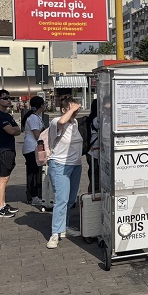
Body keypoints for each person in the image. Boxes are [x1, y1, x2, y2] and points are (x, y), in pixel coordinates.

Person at [46, 95, 84, 249]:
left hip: (75, 165)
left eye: (76, 109)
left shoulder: (74, 123)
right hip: (60, 165)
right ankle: (55, 233)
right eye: (72, 109)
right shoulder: (56, 122)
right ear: (63, 109)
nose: (75, 112)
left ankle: (65, 227)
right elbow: (62, 121)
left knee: (70, 199)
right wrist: (73, 108)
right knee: (61, 200)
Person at [0, 89, 22, 218]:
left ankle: (3, 204)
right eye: (5, 98)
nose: (8, 100)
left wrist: (14, 129)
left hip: (9, 149)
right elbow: (10, 130)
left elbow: (18, 130)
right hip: (1, 150)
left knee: (5, 178)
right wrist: (13, 129)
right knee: (3, 179)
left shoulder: (7, 115)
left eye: (9, 98)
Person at [20, 96, 45, 206]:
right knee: (33, 173)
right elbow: (36, 135)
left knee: (35, 172)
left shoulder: (35, 117)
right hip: (31, 148)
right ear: (41, 105)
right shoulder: (34, 118)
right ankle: (33, 196)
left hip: (32, 148)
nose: (46, 106)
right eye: (44, 104)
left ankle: (33, 195)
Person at [85, 99, 99, 193]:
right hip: (94, 152)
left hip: (91, 151)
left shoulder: (92, 118)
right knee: (95, 175)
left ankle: (92, 191)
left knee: (93, 173)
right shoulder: (97, 120)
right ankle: (92, 194)